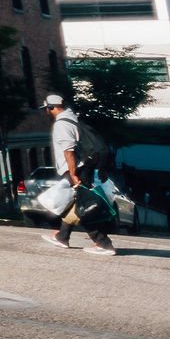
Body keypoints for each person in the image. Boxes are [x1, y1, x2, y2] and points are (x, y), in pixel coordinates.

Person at [41, 93, 117, 256]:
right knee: (74, 202)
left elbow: (68, 151)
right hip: (86, 166)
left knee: (85, 205)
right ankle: (62, 236)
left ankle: (103, 243)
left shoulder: (62, 124)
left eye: (47, 109)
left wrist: (73, 173)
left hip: (76, 168)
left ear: (51, 108)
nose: (46, 112)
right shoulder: (74, 118)